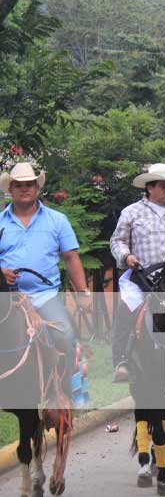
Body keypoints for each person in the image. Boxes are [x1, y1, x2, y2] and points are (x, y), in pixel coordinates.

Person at [0, 161, 90, 395]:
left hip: (44, 295)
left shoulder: (57, 220)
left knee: (66, 336)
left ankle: (65, 393)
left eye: (29, 184)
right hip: (6, 297)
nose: (24, 188)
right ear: (10, 189)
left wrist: (83, 293)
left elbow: (71, 257)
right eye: (18, 185)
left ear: (37, 188)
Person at [110, 163, 165, 382]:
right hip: (144, 277)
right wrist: (126, 256)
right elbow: (117, 240)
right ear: (150, 188)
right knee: (126, 309)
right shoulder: (131, 212)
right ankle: (122, 359)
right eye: (164, 186)